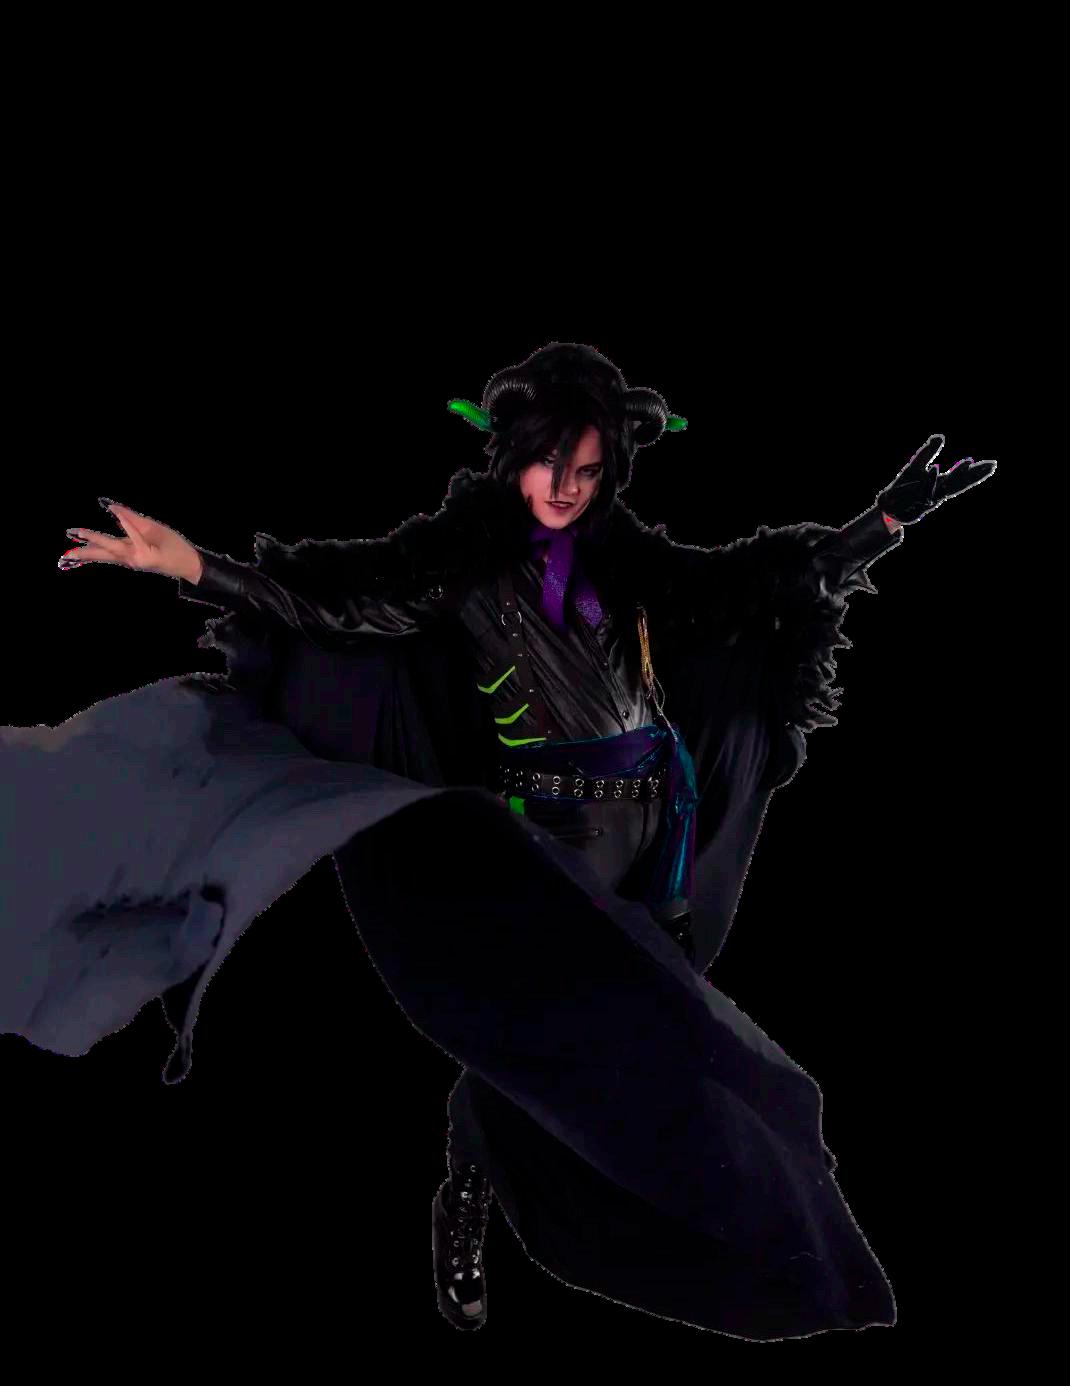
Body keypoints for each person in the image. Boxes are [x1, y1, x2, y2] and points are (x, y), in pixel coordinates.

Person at [6, 342, 995, 1337]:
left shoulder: (628, 561)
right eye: (548, 463)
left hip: (660, 826)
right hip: (556, 835)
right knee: (534, 1018)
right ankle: (473, 1184)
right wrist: (194, 566)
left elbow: (750, 586)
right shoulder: (462, 561)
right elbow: (336, 601)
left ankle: (674, 1192)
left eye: (586, 469)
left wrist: (881, 522)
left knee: (650, 1025)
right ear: (513, 453)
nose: (564, 488)